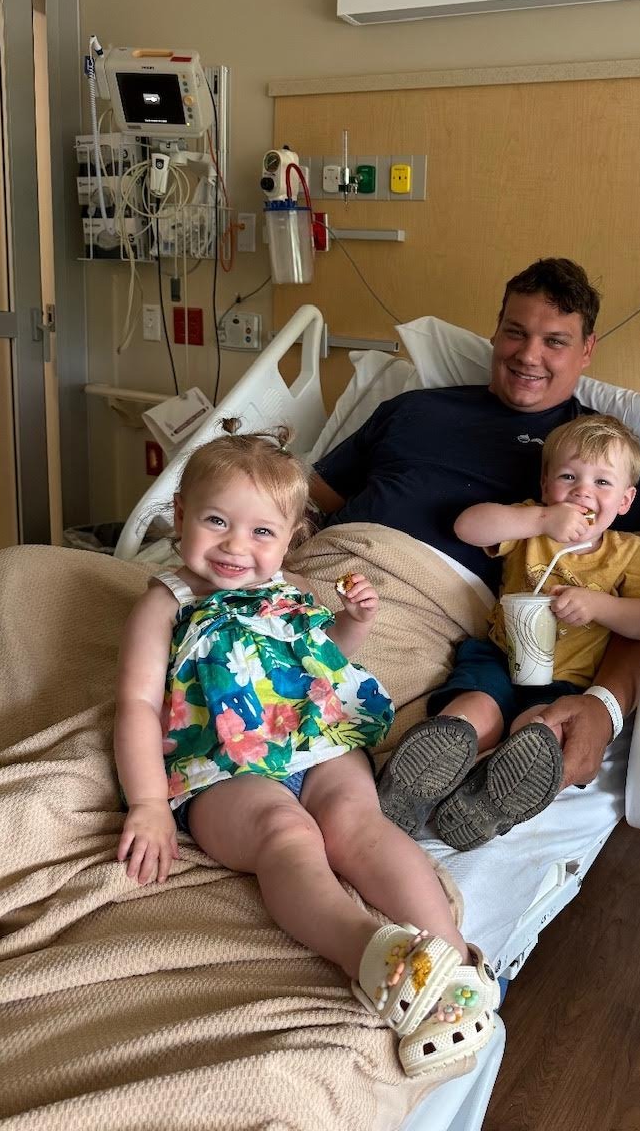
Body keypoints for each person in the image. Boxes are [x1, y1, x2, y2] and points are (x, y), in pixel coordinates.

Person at [113, 419, 499, 1078]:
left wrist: (353, 624)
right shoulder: (167, 603)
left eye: (262, 532)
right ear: (179, 516)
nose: (236, 546)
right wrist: (148, 804)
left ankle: (456, 963)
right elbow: (138, 705)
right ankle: (372, 956)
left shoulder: (287, 594)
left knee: (358, 825)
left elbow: (321, 664)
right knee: (285, 834)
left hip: (315, 743)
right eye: (216, 521)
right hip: (223, 766)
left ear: (291, 538)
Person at [310, 257, 640, 799]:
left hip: (415, 606)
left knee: (291, 695)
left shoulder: (600, 460)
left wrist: (605, 708)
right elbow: (312, 497)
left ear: (586, 350)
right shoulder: (412, 408)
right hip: (321, 565)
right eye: (515, 333)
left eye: (555, 341)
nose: (528, 355)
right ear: (496, 332)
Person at [378, 414, 640, 849]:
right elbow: (467, 526)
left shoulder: (628, 552)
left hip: (566, 682)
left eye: (602, 482)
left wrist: (600, 606)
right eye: (568, 477)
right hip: (498, 656)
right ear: (546, 484)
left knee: (543, 728)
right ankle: (424, 772)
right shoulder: (531, 525)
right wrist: (541, 519)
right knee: (474, 709)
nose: (583, 491)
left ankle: (492, 796)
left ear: (625, 501)